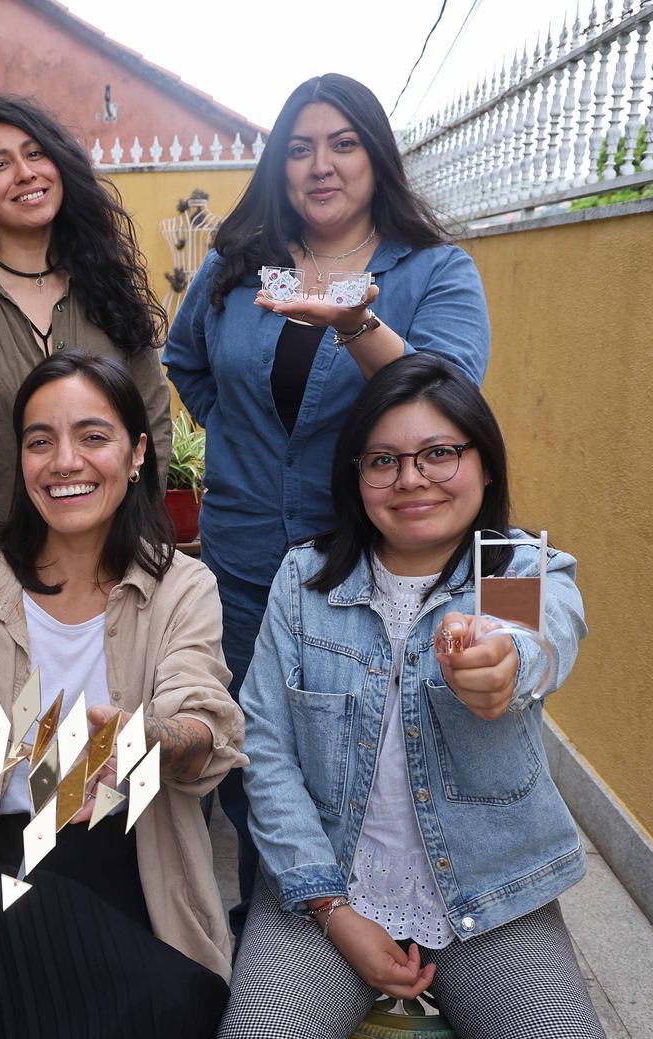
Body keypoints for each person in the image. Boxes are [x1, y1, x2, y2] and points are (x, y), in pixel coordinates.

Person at [163, 73, 490, 936]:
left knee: (364, 750)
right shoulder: (239, 269)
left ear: (377, 157)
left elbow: (450, 402)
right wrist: (242, 442)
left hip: (367, 564)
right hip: (241, 557)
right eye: (299, 147)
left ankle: (382, 910)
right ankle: (283, 914)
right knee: (252, 751)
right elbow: (186, 359)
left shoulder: (434, 272)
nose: (321, 165)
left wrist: (349, 320)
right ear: (279, 165)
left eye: (343, 143)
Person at [0, 353, 244, 1039]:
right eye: (41, 441)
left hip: (131, 855)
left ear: (137, 452)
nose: (65, 461)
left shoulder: (181, 586)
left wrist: (142, 741)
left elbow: (203, 723)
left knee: (175, 998)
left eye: (93, 436)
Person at [219, 354, 602, 1039]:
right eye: (383, 460)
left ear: (485, 464)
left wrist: (505, 663)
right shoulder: (306, 581)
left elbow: (538, 633)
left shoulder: (506, 568)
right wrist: (332, 908)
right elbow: (265, 747)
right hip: (325, 888)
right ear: (356, 476)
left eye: (439, 453)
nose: (411, 478)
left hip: (493, 894)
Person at [0, 91, 173, 550]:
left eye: (36, 153)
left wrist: (140, 532)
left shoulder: (110, 286)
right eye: (0, 165)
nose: (25, 173)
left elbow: (152, 417)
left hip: (110, 556)